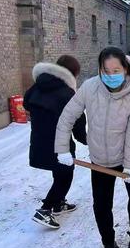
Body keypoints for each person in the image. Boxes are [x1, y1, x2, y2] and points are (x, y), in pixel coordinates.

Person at [55, 47, 130, 248]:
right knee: (102, 205)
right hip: (101, 159)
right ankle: (109, 246)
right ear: (100, 70)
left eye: (116, 70)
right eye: (106, 70)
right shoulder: (90, 88)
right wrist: (63, 149)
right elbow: (66, 117)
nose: (111, 75)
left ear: (125, 69)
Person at [24, 55, 87, 229]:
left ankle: (58, 203)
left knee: (58, 171)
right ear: (72, 73)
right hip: (61, 145)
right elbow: (77, 121)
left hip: (39, 140)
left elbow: (26, 103)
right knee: (66, 174)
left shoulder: (38, 85)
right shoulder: (67, 93)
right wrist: (86, 139)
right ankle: (45, 209)